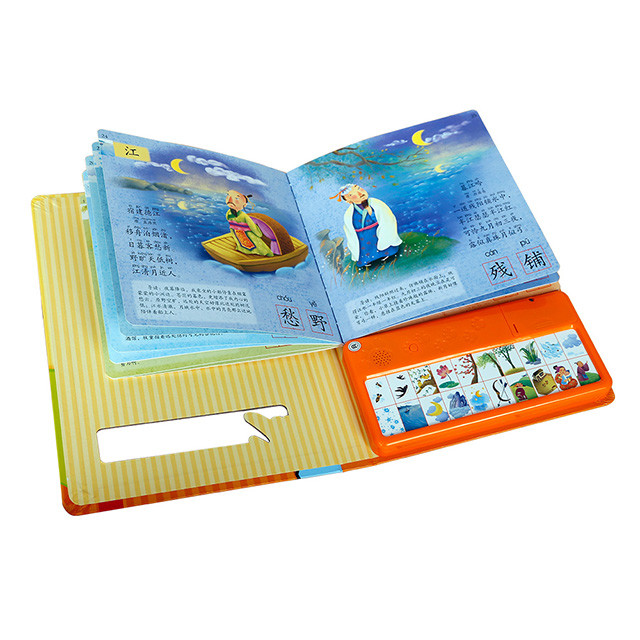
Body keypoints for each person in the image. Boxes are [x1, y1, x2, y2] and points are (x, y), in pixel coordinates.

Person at [332, 184, 402, 268]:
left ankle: (387, 253)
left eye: (359, 188)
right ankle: (367, 260)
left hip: (376, 231)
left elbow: (386, 218)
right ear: (348, 201)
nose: (359, 193)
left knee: (384, 245)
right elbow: (349, 230)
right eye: (351, 194)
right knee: (365, 250)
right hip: (362, 237)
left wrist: (371, 213)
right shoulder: (349, 214)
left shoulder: (376, 204)